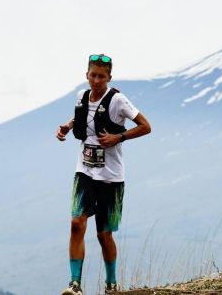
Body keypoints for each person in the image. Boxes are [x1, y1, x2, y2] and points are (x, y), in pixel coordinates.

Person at [56, 53, 152, 295]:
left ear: (109, 77)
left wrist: (118, 137)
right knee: (76, 224)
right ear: (86, 75)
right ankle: (75, 284)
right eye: (93, 75)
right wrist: (68, 126)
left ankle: (111, 285)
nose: (97, 80)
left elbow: (146, 126)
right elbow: (84, 115)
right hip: (84, 171)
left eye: (101, 76)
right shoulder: (81, 96)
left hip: (110, 177)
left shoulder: (118, 100)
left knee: (104, 234)